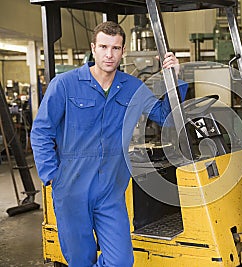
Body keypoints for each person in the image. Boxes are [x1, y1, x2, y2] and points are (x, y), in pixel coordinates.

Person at [30, 21, 187, 267]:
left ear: (123, 51)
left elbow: (167, 117)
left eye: (115, 48)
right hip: (71, 188)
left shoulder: (132, 88)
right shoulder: (65, 84)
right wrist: (51, 176)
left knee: (121, 260)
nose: (109, 54)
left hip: (110, 191)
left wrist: (175, 78)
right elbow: (41, 131)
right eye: (103, 46)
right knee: (80, 260)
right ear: (93, 48)